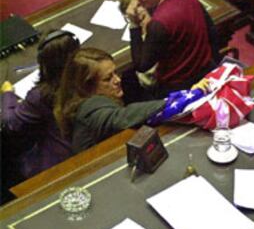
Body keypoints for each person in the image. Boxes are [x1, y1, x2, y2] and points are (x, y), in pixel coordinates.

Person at [54, 47, 209, 152]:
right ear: (86, 85)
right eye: (108, 79)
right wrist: (180, 99)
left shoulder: (84, 98)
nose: (117, 80)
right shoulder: (90, 109)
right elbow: (121, 117)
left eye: (115, 73)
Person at [119, 0, 219, 104]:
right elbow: (210, 28)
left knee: (128, 80)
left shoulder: (160, 23)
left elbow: (141, 65)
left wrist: (134, 24)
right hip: (207, 69)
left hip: (178, 89)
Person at [1, 30, 79, 180]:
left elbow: (10, 123)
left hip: (57, 164)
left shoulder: (41, 96)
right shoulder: (88, 76)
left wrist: (8, 94)